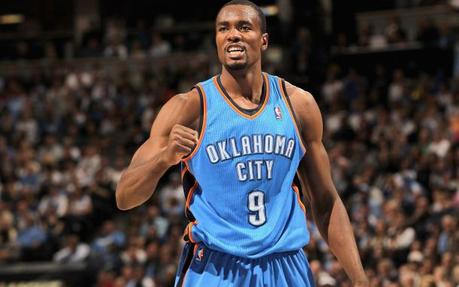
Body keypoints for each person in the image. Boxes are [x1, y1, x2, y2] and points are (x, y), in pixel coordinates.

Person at [116, 1, 368, 286]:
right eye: (224, 28)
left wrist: (359, 279)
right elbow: (125, 197)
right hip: (215, 267)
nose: (232, 34)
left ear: (263, 41)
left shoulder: (298, 105)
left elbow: (325, 201)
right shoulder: (189, 107)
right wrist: (163, 158)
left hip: (285, 265)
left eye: (243, 27)